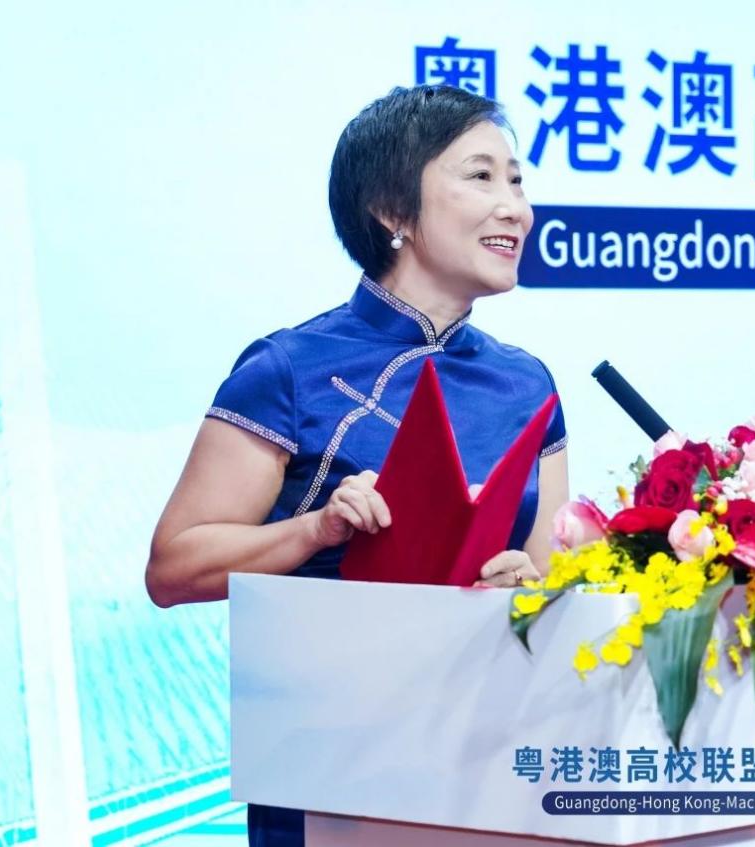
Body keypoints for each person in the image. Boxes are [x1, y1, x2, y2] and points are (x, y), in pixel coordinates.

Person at [145, 84, 569, 846]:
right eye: (480, 177)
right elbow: (173, 568)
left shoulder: (527, 382)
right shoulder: (289, 367)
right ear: (390, 210)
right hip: (330, 768)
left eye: (516, 180)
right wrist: (315, 529)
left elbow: (553, 577)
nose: (514, 207)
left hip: (490, 762)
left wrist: (526, 586)